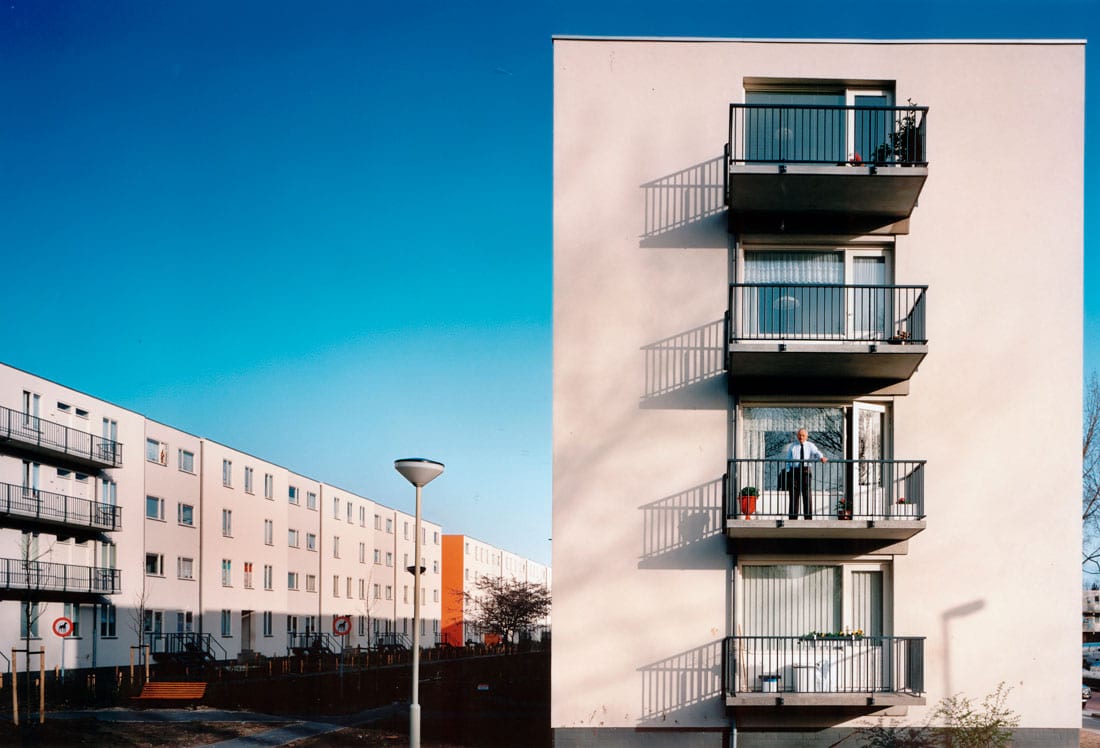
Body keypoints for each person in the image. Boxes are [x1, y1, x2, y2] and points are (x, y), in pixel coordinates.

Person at [784, 428, 827, 519]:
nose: (801, 437)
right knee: (794, 495)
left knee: (807, 494)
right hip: (794, 471)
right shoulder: (793, 446)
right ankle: (793, 517)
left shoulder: (810, 445)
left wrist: (821, 457)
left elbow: (816, 452)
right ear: (797, 436)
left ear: (807, 436)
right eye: (799, 435)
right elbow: (788, 459)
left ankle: (808, 518)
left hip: (806, 471)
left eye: (803, 435)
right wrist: (788, 472)